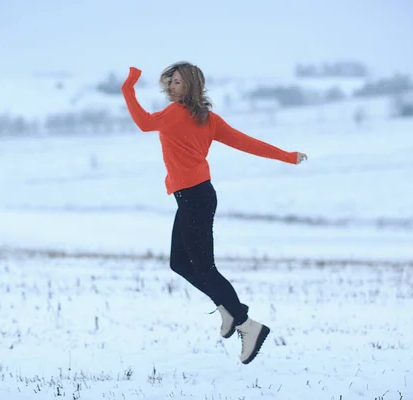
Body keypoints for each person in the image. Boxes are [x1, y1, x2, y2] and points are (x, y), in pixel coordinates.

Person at [121, 62, 307, 365]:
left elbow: (143, 122)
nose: (171, 86)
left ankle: (247, 324)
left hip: (195, 198)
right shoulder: (207, 118)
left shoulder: (176, 116)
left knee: (203, 267)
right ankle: (227, 309)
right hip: (196, 197)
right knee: (180, 262)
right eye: (170, 81)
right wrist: (286, 156)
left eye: (178, 82)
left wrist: (128, 88)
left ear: (190, 86)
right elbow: (247, 142)